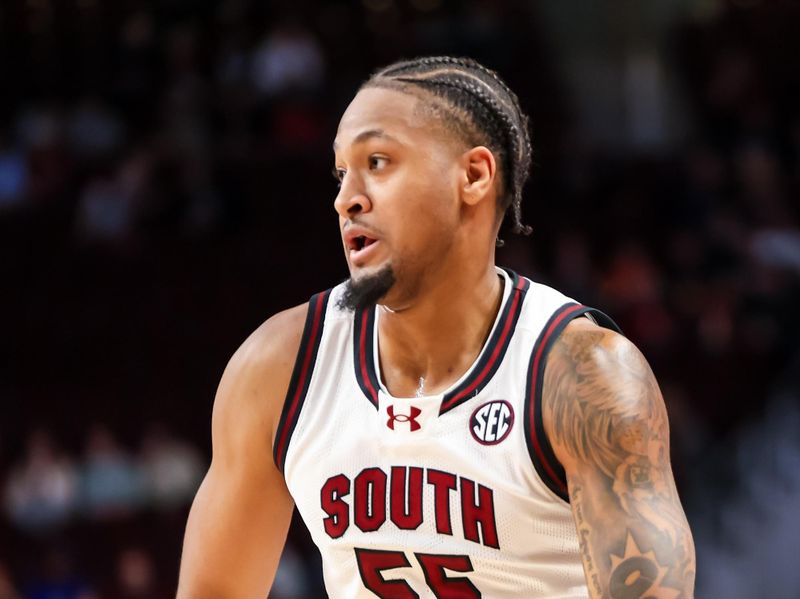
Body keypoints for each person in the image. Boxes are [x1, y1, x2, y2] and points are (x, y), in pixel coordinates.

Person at [177, 56, 696, 598]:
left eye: (377, 162)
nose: (345, 198)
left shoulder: (582, 377)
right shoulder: (278, 369)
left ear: (472, 176)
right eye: (341, 172)